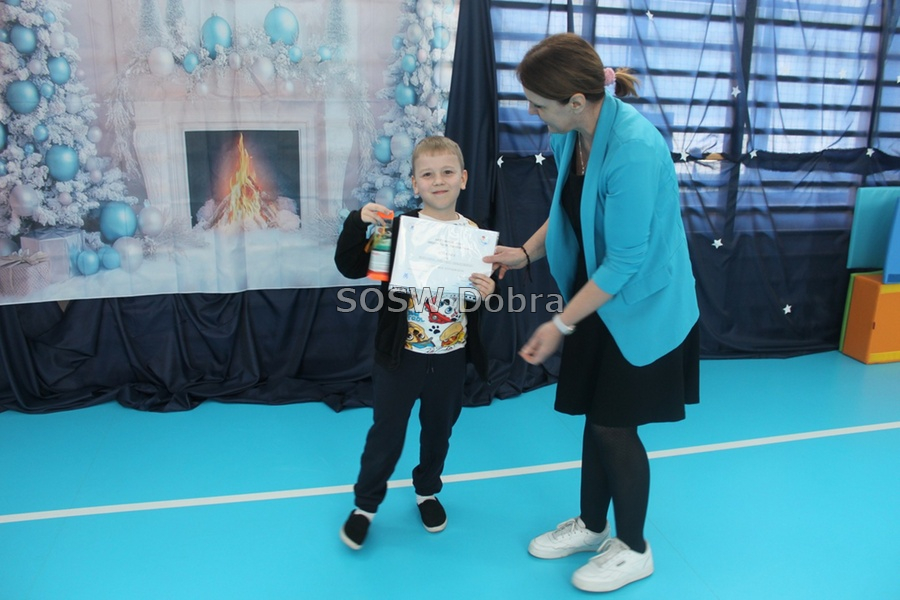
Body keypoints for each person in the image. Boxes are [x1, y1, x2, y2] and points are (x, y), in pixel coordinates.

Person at [484, 33, 700, 593]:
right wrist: (523, 253)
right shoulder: (570, 134)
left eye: (539, 104)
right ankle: (593, 524)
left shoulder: (634, 149)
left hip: (643, 304)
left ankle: (634, 548)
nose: (533, 113)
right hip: (596, 294)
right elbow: (569, 210)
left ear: (577, 100)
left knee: (614, 424)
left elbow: (626, 260)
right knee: (596, 415)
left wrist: (559, 324)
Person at [334, 135, 496, 550]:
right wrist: (358, 222)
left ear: (463, 178)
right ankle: (365, 506)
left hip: (451, 357)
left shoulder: (475, 236)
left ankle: (427, 491)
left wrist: (487, 292)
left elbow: (474, 297)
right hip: (399, 357)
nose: (438, 180)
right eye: (428, 174)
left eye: (447, 172)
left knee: (439, 432)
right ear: (414, 183)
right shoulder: (399, 230)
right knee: (386, 434)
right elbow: (351, 266)